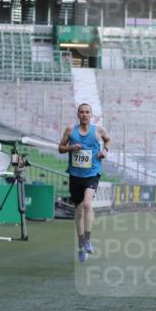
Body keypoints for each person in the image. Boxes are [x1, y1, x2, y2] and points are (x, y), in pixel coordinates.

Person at [58, 103, 110, 263]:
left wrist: (104, 151)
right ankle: (81, 245)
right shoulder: (70, 130)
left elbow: (107, 141)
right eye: (82, 112)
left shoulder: (99, 130)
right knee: (79, 212)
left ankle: (87, 239)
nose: (84, 115)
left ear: (91, 114)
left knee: (88, 205)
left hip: (92, 173)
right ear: (78, 114)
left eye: (87, 112)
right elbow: (60, 148)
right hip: (75, 175)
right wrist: (71, 147)